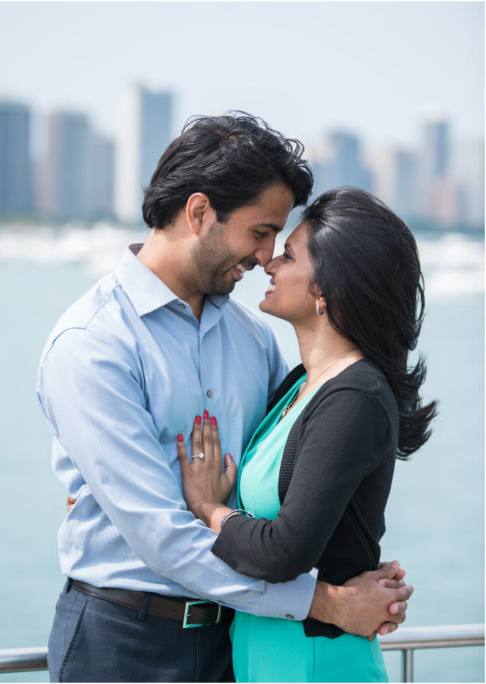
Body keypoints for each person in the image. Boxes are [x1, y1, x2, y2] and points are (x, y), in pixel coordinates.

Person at [37, 112, 414, 682]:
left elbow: (288, 479)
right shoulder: (93, 344)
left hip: (236, 641)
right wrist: (328, 602)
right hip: (124, 640)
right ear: (199, 213)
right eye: (261, 232)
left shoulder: (253, 339)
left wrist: (356, 566)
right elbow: (160, 535)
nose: (266, 256)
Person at [177, 187, 436, 681]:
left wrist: (209, 509)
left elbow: (282, 551)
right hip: (263, 659)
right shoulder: (298, 384)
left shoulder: (355, 396)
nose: (270, 263)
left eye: (290, 255)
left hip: (316, 665)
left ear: (327, 290)